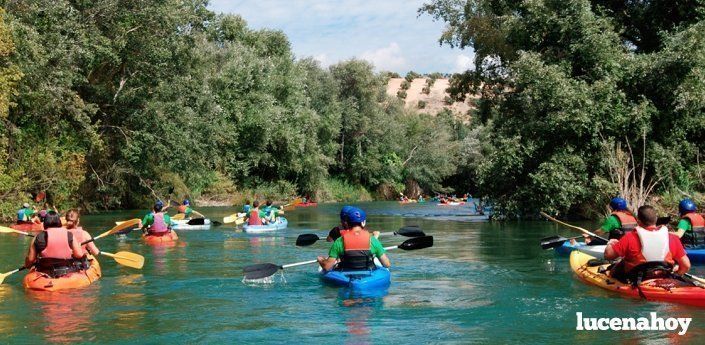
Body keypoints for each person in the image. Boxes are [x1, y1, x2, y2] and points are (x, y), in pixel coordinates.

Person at [604, 205, 690, 283]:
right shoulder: (672, 238)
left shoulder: (630, 237)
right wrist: (676, 275)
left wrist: (610, 243)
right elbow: (686, 266)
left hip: (635, 279)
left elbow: (608, 255)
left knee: (619, 264)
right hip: (664, 277)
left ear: (638, 221)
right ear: (656, 220)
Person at [318, 207, 390, 271]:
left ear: (347, 223)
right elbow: (387, 264)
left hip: (345, 273)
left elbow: (327, 267)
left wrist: (321, 260)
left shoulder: (339, 241)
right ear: (363, 222)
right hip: (368, 273)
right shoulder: (372, 239)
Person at [24, 211, 84, 277]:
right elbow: (79, 255)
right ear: (59, 221)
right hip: (66, 271)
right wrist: (78, 246)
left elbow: (30, 260)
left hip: (45, 273)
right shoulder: (69, 235)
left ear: (45, 223)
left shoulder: (37, 237)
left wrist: (27, 265)